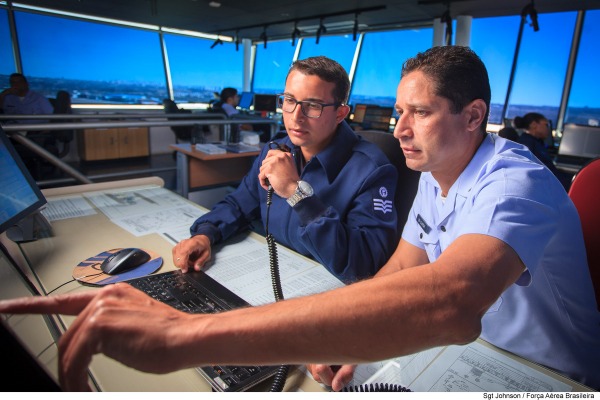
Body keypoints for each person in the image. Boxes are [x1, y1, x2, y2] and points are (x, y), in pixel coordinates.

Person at [1, 46, 599, 393]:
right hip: (458, 353)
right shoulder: (438, 177)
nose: (398, 129)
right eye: (396, 111)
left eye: (419, 113)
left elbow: (450, 301)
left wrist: (186, 335)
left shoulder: (516, 182)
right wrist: (346, 334)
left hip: (543, 376)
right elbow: (398, 271)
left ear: (474, 116)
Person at [175, 55, 399, 283]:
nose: (295, 117)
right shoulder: (277, 149)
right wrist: (206, 234)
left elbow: (364, 265)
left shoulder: (372, 170)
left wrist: (296, 193)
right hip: (266, 274)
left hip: (324, 290)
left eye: (313, 106)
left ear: (340, 114)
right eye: (290, 100)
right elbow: (239, 203)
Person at [513, 112, 572, 190]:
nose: (548, 128)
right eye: (546, 125)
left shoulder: (535, 142)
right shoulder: (527, 145)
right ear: (534, 124)